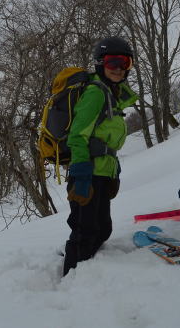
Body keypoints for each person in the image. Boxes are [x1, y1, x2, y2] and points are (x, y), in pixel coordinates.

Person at [63, 36, 138, 276]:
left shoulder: (111, 94)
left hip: (102, 172)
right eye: (112, 62)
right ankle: (72, 279)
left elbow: (107, 139)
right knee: (85, 231)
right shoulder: (96, 93)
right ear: (99, 63)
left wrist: (112, 170)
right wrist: (82, 174)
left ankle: (88, 269)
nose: (118, 68)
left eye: (124, 63)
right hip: (87, 173)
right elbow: (77, 135)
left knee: (102, 229)